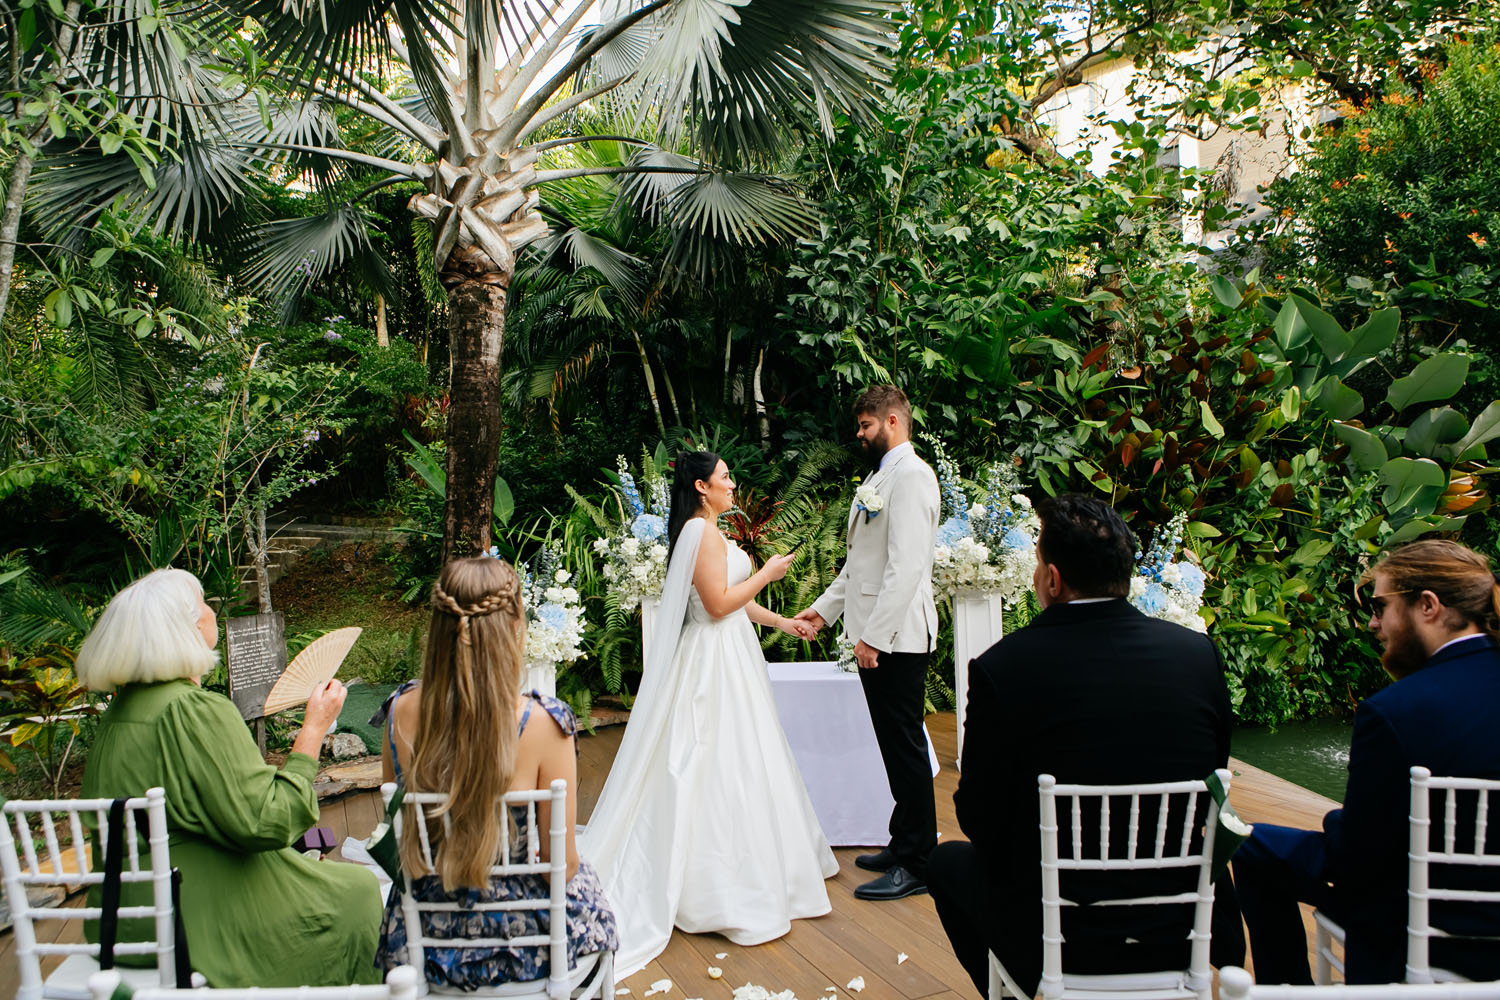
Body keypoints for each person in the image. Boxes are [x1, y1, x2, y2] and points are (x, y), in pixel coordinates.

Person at [928, 495, 1236, 998]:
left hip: (1061, 937)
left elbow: (978, 819)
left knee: (945, 864)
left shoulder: (1004, 668)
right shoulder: (1196, 655)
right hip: (1180, 926)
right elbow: (1213, 778)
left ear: (1052, 578)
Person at [579, 450, 838, 979]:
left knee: (749, 757)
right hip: (710, 662)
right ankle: (711, 885)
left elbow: (735, 603)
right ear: (701, 486)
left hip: (735, 654)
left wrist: (784, 623)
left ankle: (767, 867)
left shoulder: (715, 534)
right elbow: (717, 605)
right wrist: (766, 572)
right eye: (724, 477)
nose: (732, 483)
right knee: (711, 760)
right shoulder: (698, 534)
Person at [76, 568, 382, 988]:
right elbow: (268, 822)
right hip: (193, 921)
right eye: (202, 601)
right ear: (184, 627)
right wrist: (314, 728)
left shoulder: (117, 717)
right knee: (358, 891)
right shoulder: (194, 711)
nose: (211, 610)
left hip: (122, 920)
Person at [1233, 539, 1500, 984]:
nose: (1374, 624)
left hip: (1426, 926)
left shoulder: (1397, 710)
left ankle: (1290, 992)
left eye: (1380, 606)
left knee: (1254, 844)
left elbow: (1357, 859)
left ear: (1428, 606)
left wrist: (1340, 821)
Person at [375, 556, 618, 989]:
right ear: (515, 627)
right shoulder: (546, 723)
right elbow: (558, 866)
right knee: (594, 895)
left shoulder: (399, 711)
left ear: (438, 629)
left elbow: (396, 826)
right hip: (525, 940)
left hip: (426, 938)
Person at [795, 384, 941, 901]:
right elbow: (862, 563)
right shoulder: (882, 476)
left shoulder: (914, 478)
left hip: (897, 636)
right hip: (877, 633)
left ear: (893, 423)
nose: (859, 434)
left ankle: (921, 861)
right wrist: (823, 609)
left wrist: (874, 638)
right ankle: (904, 843)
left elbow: (905, 568)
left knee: (904, 747)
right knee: (893, 745)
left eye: (866, 425)